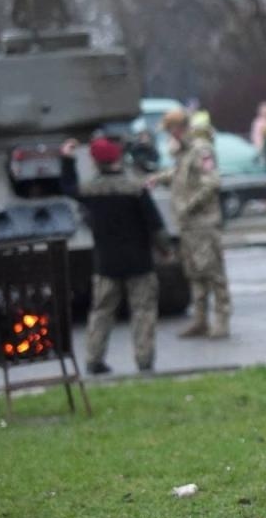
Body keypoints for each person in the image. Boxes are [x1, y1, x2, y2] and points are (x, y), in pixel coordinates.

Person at [59, 136, 167, 375]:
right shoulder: (136, 189)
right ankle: (144, 359)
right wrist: (165, 249)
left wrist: (67, 159)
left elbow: (67, 187)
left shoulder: (90, 190)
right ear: (118, 157)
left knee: (101, 312)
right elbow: (155, 225)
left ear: (95, 162)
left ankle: (94, 359)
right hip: (139, 261)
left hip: (106, 263)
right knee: (143, 311)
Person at [154, 109, 230, 339]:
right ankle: (200, 320)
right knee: (194, 272)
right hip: (187, 225)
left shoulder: (201, 150)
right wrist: (158, 179)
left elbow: (211, 183)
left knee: (213, 272)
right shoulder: (183, 153)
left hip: (203, 223)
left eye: (170, 131)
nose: (169, 136)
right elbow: (179, 175)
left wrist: (189, 205)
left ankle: (222, 319)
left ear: (179, 128)